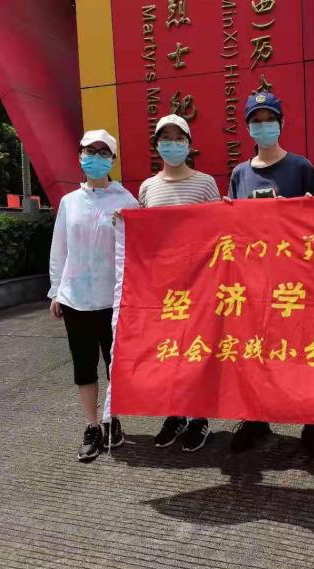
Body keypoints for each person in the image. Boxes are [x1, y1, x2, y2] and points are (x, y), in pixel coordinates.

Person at [226, 92, 314, 458]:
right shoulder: (240, 173)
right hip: (253, 281)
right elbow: (231, 228)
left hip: (294, 281)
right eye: (256, 121)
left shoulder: (300, 167)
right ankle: (255, 418)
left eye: (270, 119)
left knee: (301, 352)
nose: (263, 126)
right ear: (248, 128)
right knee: (254, 352)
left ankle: (312, 422)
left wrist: (297, 212)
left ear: (282, 123)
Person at [48, 129, 138, 462]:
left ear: (113, 160)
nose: (95, 158)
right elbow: (60, 249)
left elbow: (138, 250)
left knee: (116, 367)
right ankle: (91, 426)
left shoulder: (127, 201)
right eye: (90, 151)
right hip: (76, 299)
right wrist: (56, 290)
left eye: (103, 153)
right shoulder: (70, 202)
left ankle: (113, 420)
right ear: (79, 155)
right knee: (84, 367)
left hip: (114, 300)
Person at [142, 114, 222, 452]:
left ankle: (200, 417)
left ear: (189, 145)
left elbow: (219, 232)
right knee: (170, 353)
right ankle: (175, 414)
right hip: (164, 288)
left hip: (200, 284)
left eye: (179, 138)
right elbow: (144, 238)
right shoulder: (148, 187)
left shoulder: (205, 184)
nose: (172, 144)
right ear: (156, 144)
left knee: (198, 351)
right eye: (166, 138)